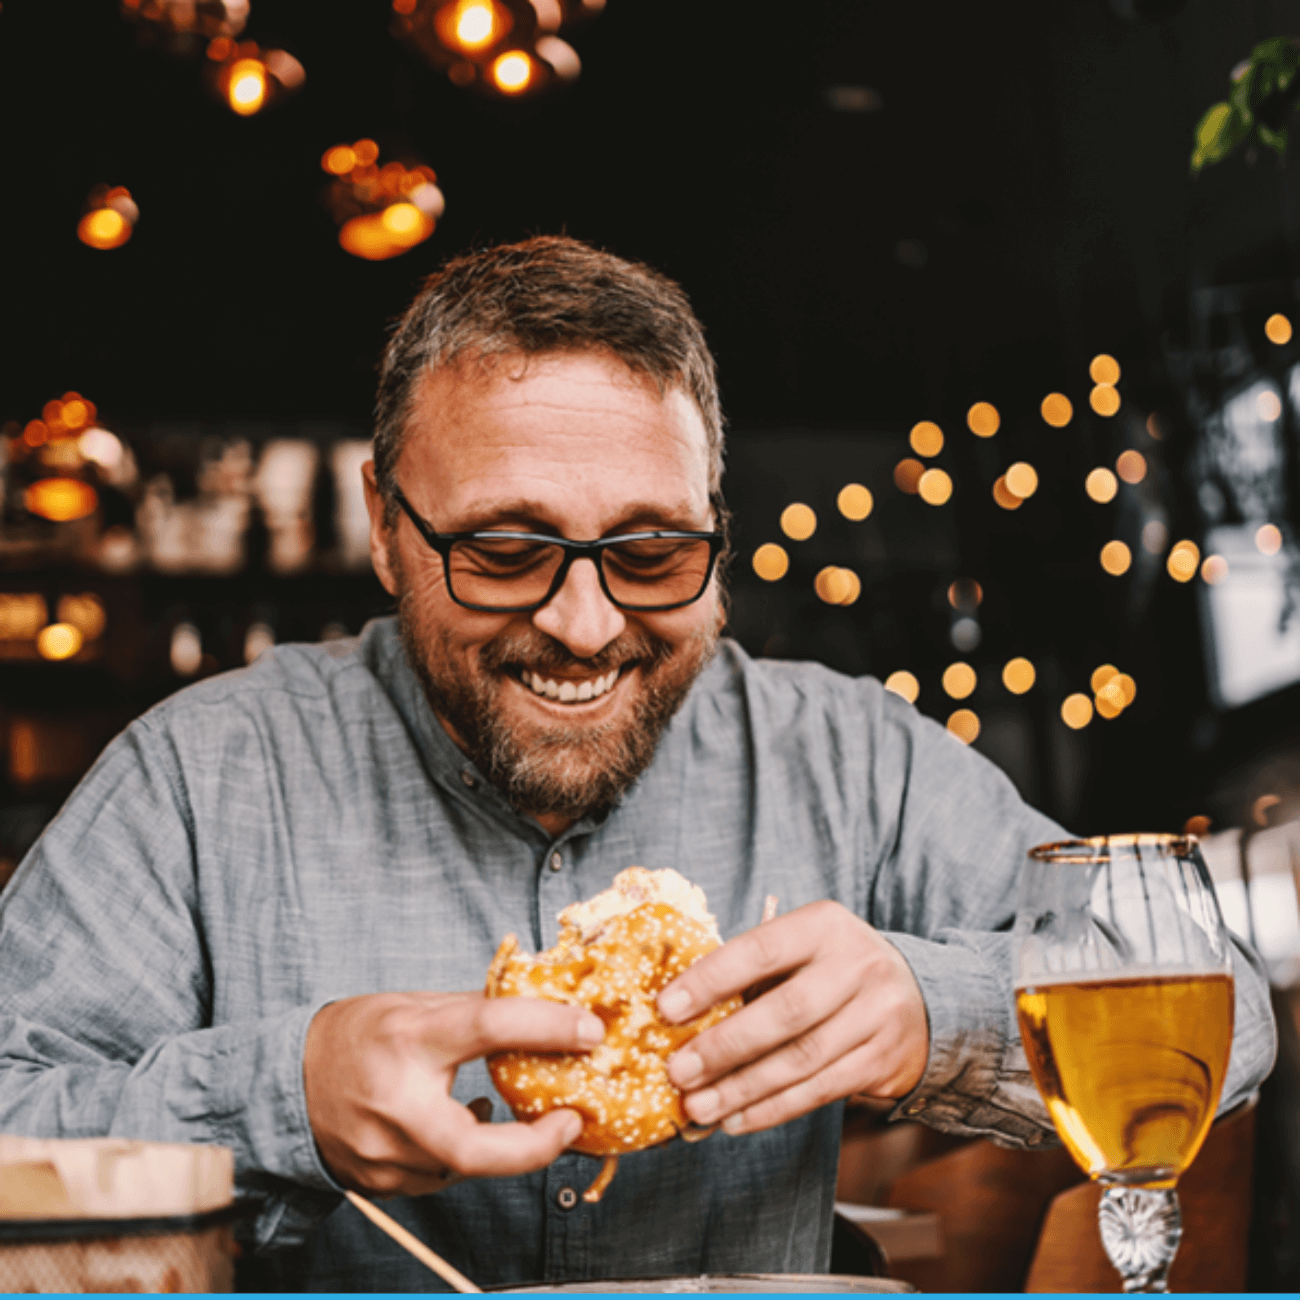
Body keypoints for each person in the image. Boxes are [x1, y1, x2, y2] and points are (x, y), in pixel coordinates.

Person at [0, 236, 1275, 1290]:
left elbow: (1232, 1017)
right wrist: (284, 1097)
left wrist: (923, 1010)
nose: (585, 623)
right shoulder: (201, 778)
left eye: (652, 551)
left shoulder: (852, 760)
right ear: (389, 528)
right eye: (505, 549)